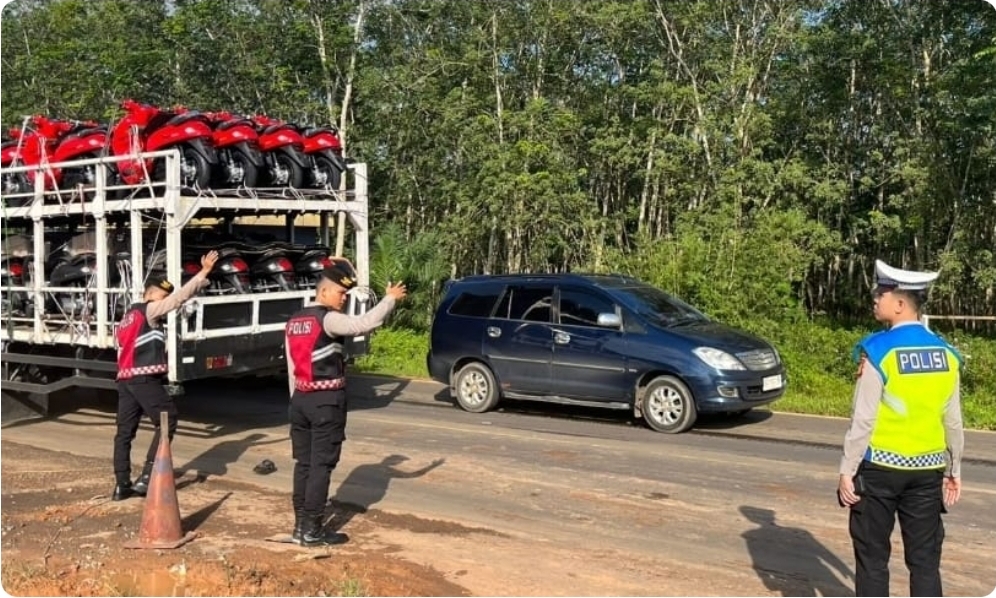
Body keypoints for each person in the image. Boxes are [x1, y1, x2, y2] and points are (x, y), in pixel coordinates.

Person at [838, 259, 964, 597]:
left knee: (873, 559)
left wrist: (847, 471)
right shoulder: (947, 355)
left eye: (880, 293)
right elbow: (952, 420)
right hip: (927, 471)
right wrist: (954, 468)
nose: (874, 300)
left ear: (899, 303)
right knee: (925, 561)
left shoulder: (879, 351)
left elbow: (862, 420)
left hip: (878, 469)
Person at [284, 262, 406, 546]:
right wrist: (389, 300)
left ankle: (300, 526)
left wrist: (296, 400)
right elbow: (362, 324)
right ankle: (313, 529)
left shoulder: (294, 321)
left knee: (303, 464)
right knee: (320, 466)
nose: (344, 298)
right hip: (325, 402)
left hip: (301, 399)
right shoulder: (328, 318)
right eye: (340, 293)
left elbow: (291, 366)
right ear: (324, 291)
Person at [112, 250, 219, 501]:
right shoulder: (148, 311)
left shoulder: (127, 317)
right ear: (149, 294)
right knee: (167, 419)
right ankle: (148, 477)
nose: (165, 300)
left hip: (125, 380)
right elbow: (179, 299)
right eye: (162, 295)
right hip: (143, 379)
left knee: (124, 432)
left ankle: (121, 483)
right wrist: (203, 273)